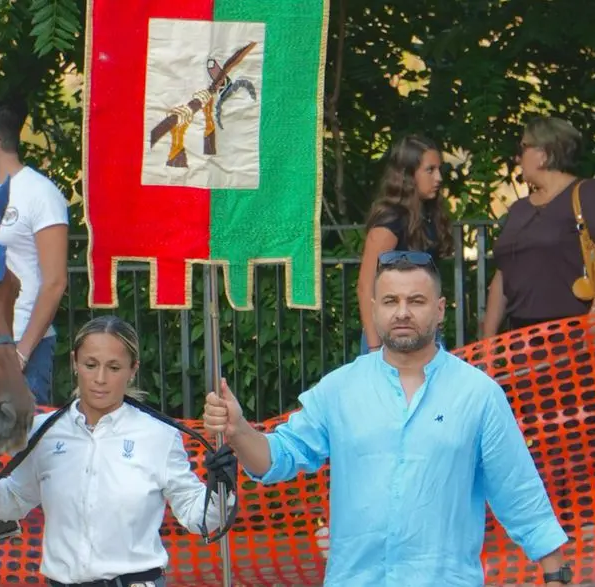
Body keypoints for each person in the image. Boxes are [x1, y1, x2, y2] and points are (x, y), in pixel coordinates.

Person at [204, 251, 572, 587]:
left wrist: (556, 575)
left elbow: (519, 492)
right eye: (391, 301)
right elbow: (276, 459)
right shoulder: (340, 389)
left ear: (441, 309)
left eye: (416, 301)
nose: (402, 313)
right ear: (374, 308)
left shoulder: (479, 395)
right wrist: (238, 431)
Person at [0, 315, 238, 587]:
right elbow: (15, 500)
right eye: (90, 364)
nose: (100, 378)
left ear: (132, 370)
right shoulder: (43, 431)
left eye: (114, 368)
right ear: (75, 363)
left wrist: (220, 487)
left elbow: (197, 517)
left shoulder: (159, 435)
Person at [0, 100, 69, 404]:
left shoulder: (40, 193)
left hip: (22, 342)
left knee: (24, 445)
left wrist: (23, 352)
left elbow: (55, 281)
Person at [481, 116, 595, 337]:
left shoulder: (588, 193)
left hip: (573, 333)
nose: (517, 157)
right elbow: (503, 274)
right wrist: (488, 339)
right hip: (520, 337)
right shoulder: (519, 209)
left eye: (523, 148)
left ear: (543, 155)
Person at [357, 134, 452, 353]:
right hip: (391, 333)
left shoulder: (427, 215)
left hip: (425, 331)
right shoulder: (390, 221)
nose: (438, 178)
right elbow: (366, 286)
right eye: (430, 170)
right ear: (408, 175)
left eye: (439, 169)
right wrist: (373, 348)